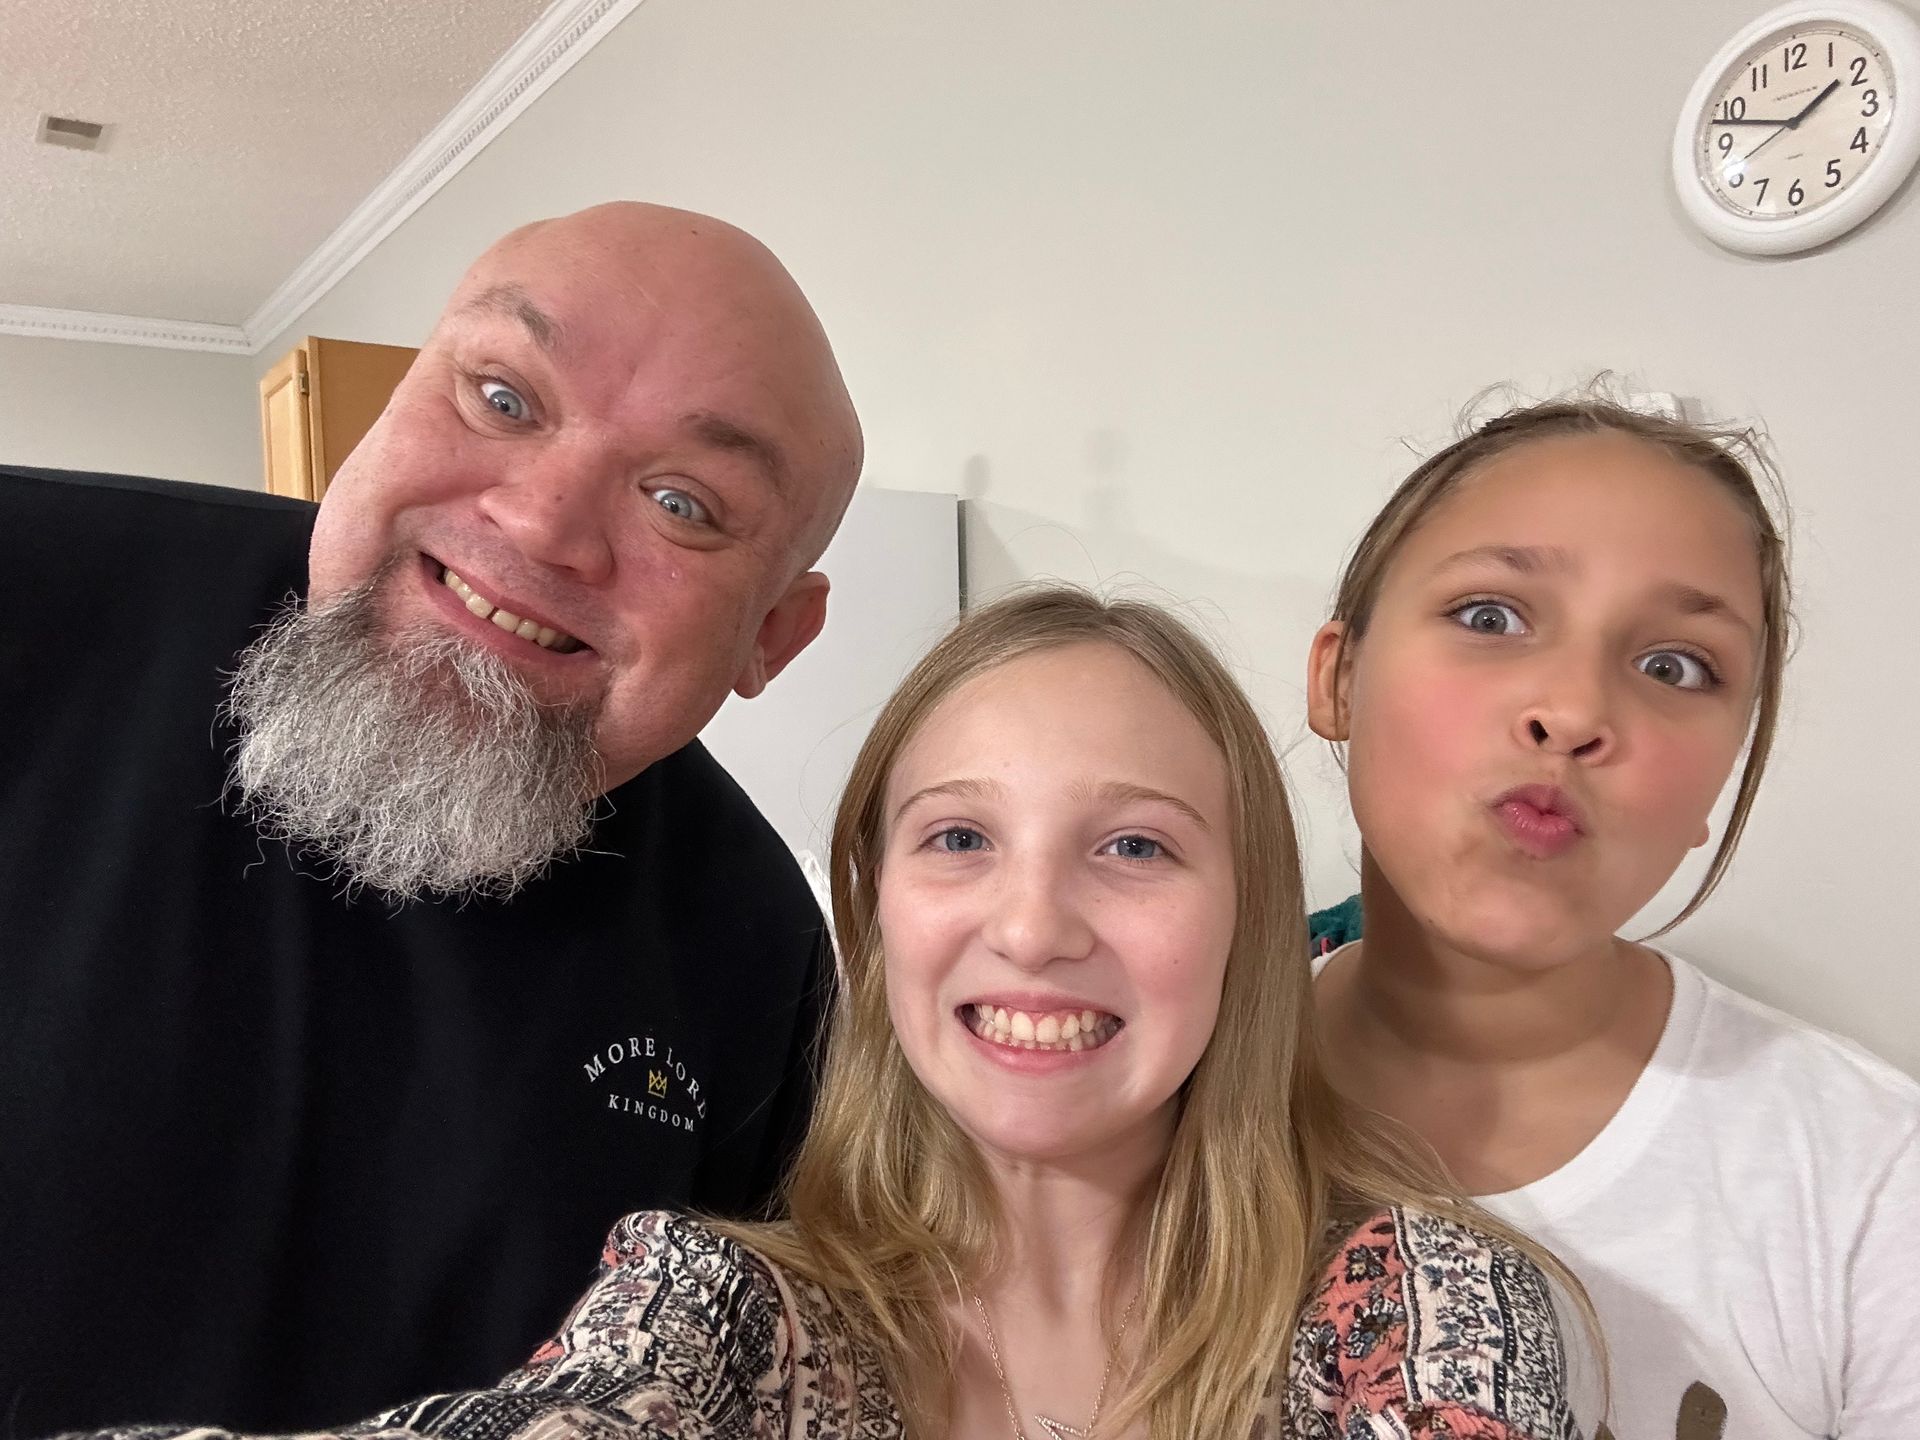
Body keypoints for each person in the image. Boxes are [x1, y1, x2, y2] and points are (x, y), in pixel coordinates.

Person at [55, 586, 1588, 1440]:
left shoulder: (1424, 1313)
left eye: (1134, 847)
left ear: (1248, 914)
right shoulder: (720, 1313)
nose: (1032, 926)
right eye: (958, 838)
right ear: (873, 906)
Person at [0, 202, 863, 1434]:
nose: (542, 522)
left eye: (683, 502)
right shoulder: (29, 590)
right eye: (503, 399)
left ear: (773, 634)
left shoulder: (759, 955)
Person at [1303, 395, 1920, 1438]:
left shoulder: (1874, 1187)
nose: (1576, 713)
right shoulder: (1151, 1087)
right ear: (1339, 677)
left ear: (1718, 779)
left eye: (1674, 666)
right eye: (1490, 616)